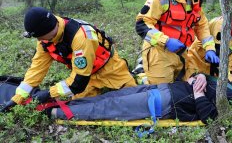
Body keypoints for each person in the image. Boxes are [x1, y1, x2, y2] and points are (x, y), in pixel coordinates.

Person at [1, 7, 136, 111]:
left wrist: (49, 93)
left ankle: (136, 75)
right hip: (87, 77)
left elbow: (77, 83)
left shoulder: (80, 37)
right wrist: (17, 98)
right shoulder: (45, 41)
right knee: (80, 109)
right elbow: (36, 69)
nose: (39, 40)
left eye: (40, 37)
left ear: (49, 29)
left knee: (133, 100)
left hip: (110, 68)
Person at [50, 73, 232, 124]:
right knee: (114, 95)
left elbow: (210, 116)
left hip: (167, 103)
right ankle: (65, 104)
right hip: (167, 88)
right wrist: (199, 76)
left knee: (112, 106)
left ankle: (57, 112)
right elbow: (207, 77)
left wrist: (199, 95)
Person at [135, 0, 218, 84]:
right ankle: (142, 76)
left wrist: (210, 48)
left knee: (185, 88)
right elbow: (141, 25)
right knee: (163, 93)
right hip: (159, 52)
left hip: (183, 53)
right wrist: (166, 41)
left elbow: (201, 24)